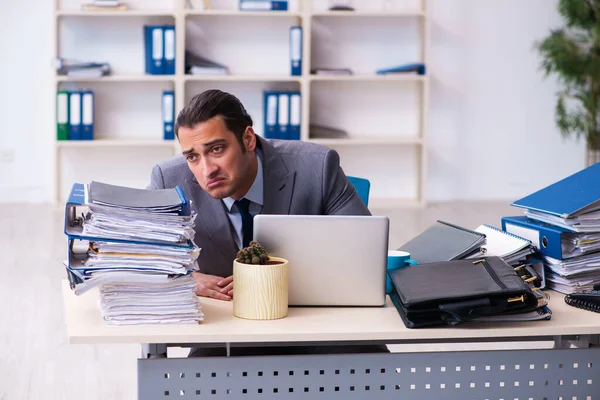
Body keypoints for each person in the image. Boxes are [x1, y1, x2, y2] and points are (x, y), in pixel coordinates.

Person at [148, 89, 385, 356]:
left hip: (314, 322)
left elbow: (363, 256)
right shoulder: (169, 181)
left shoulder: (317, 167)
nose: (206, 169)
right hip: (225, 332)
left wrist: (265, 280)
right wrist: (189, 278)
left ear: (247, 139)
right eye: (192, 156)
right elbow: (136, 258)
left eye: (217, 149)